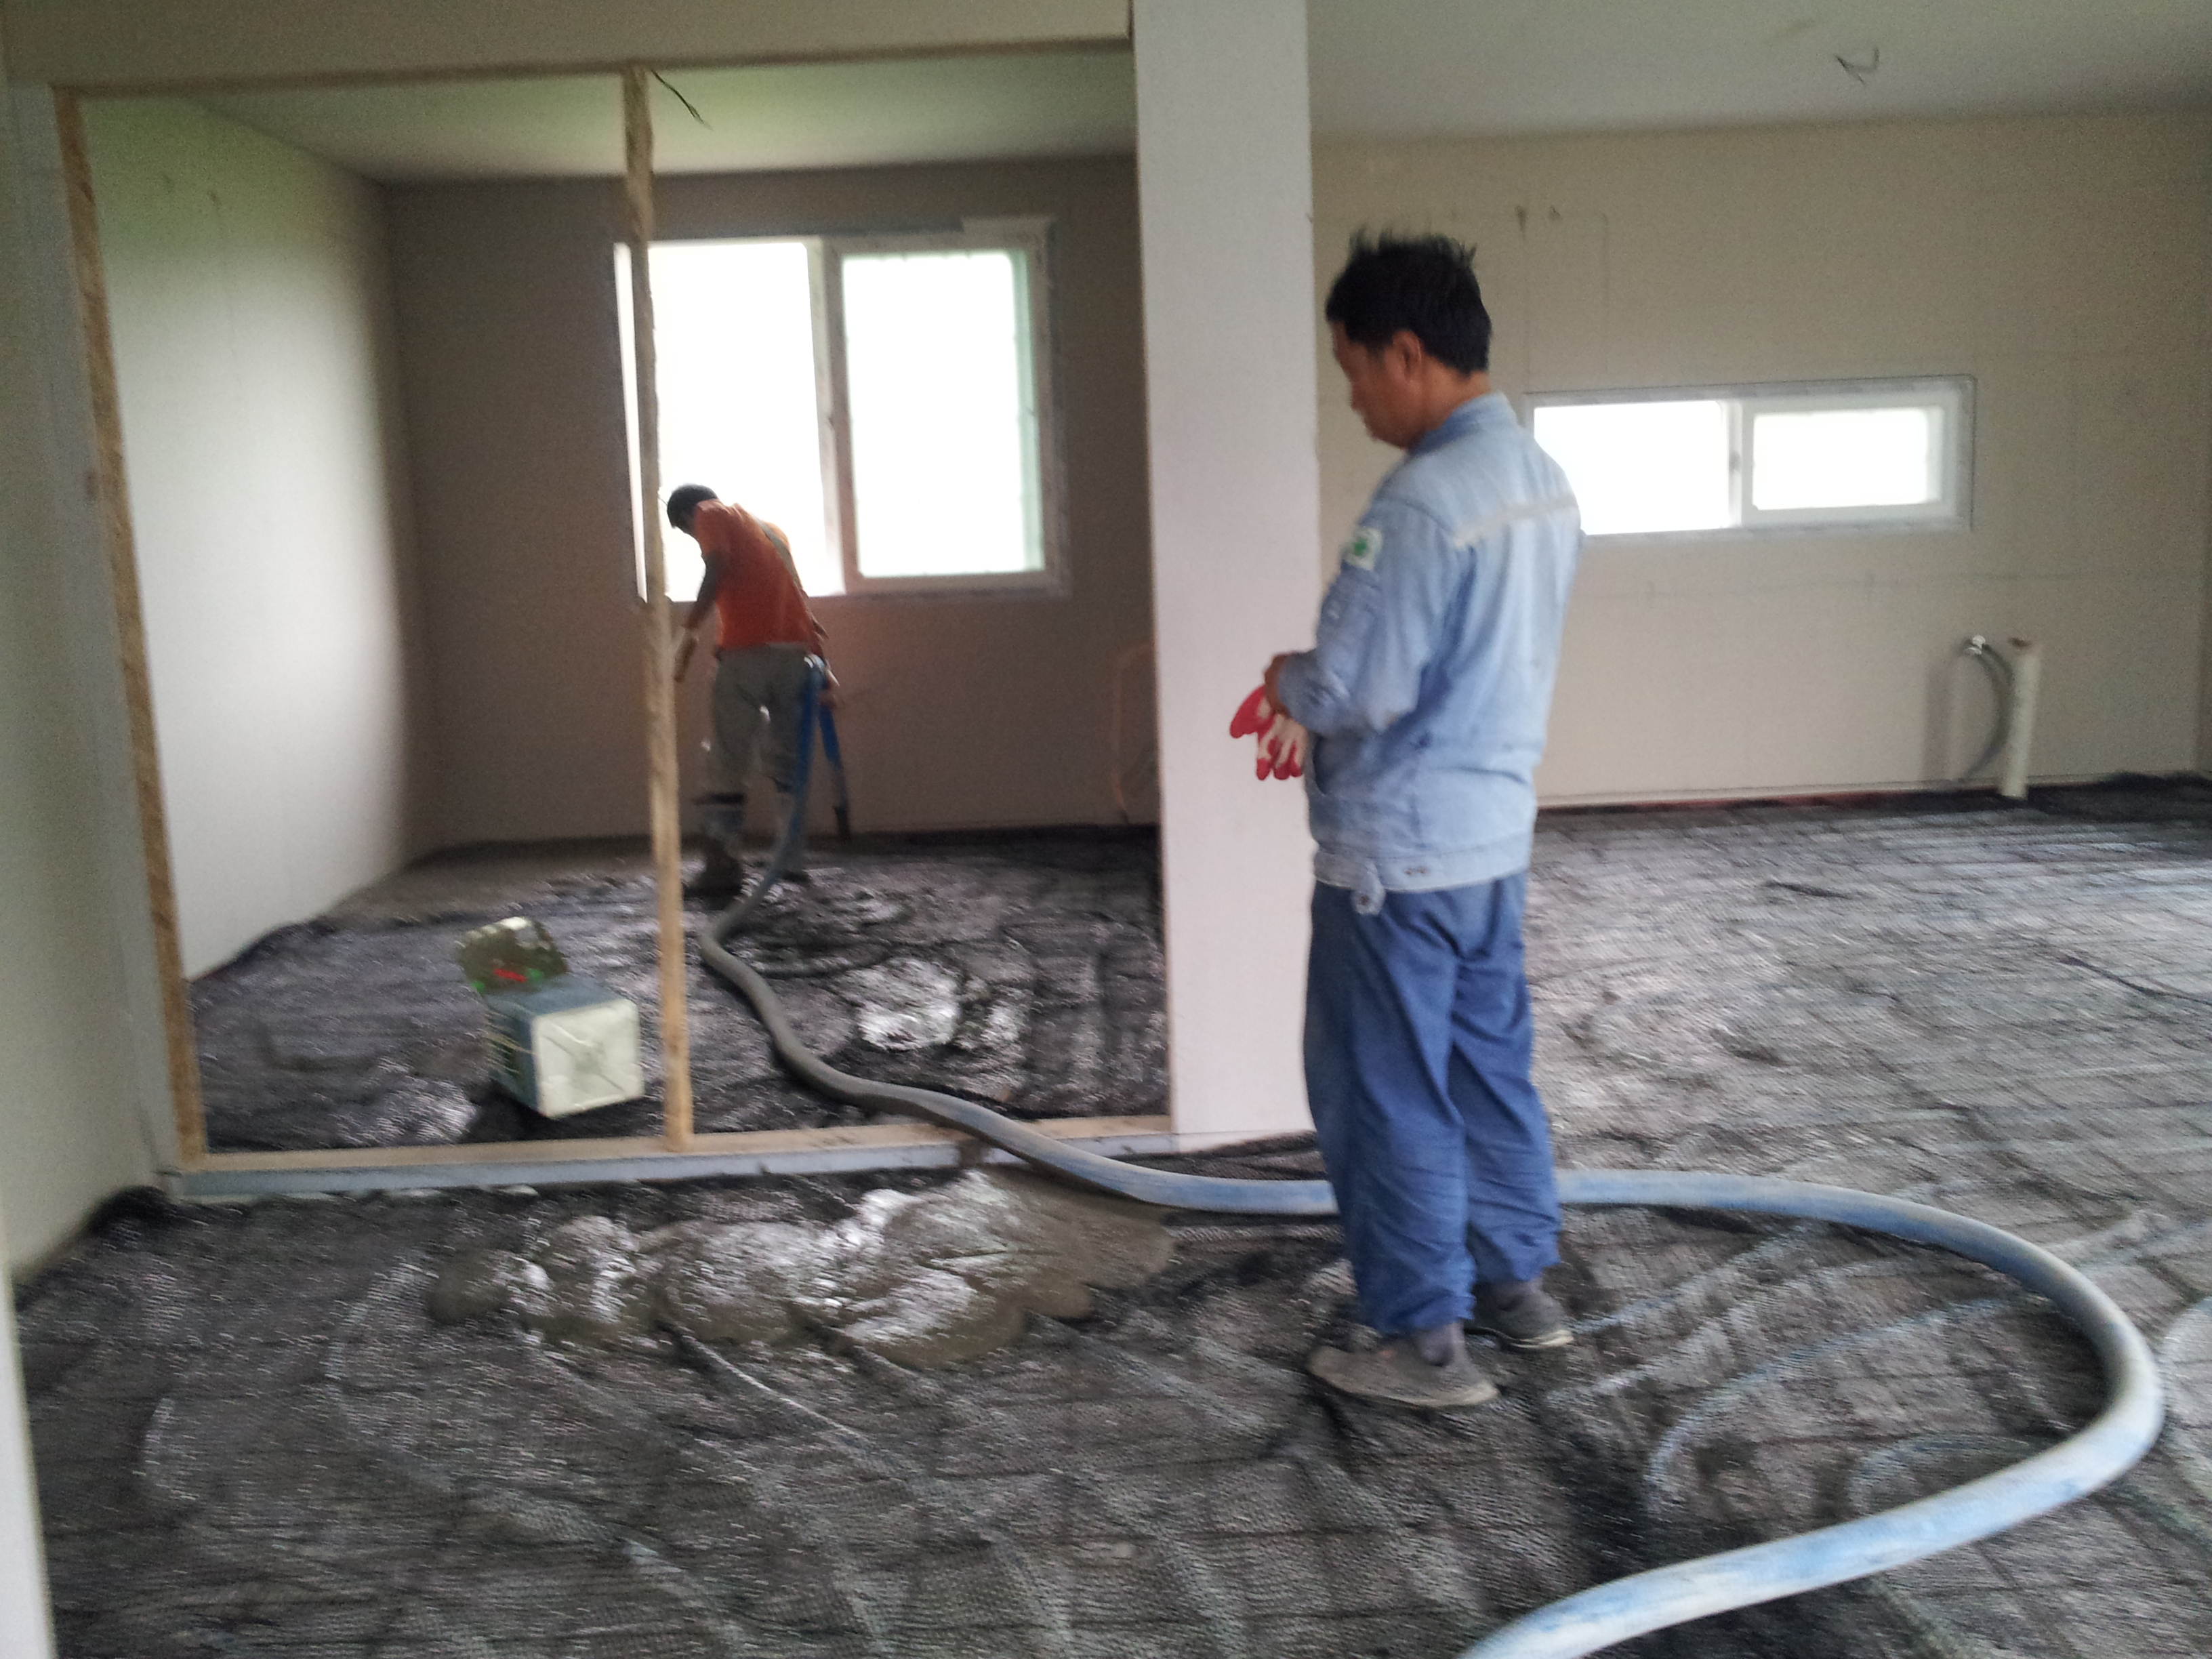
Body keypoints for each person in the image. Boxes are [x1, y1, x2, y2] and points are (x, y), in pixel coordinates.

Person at [1263, 233, 1582, 1410]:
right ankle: (1514, 1286)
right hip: (1490, 846)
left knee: (1386, 1088)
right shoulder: (1540, 481)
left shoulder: (1417, 504)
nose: (1353, 400)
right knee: (1486, 1069)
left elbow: (1358, 686)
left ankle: (1420, 1342)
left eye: (1354, 372)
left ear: (1406, 353)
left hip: (1393, 862)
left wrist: (1287, 678)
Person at [667, 484, 825, 897]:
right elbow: (798, 596)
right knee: (789, 762)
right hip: (793, 655)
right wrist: (819, 657)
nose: (695, 538)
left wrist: (687, 633)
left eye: (687, 533)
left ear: (685, 516)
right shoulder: (772, 532)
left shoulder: (708, 512)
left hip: (746, 656)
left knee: (727, 760)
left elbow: (716, 566)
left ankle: (723, 868)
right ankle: (792, 862)